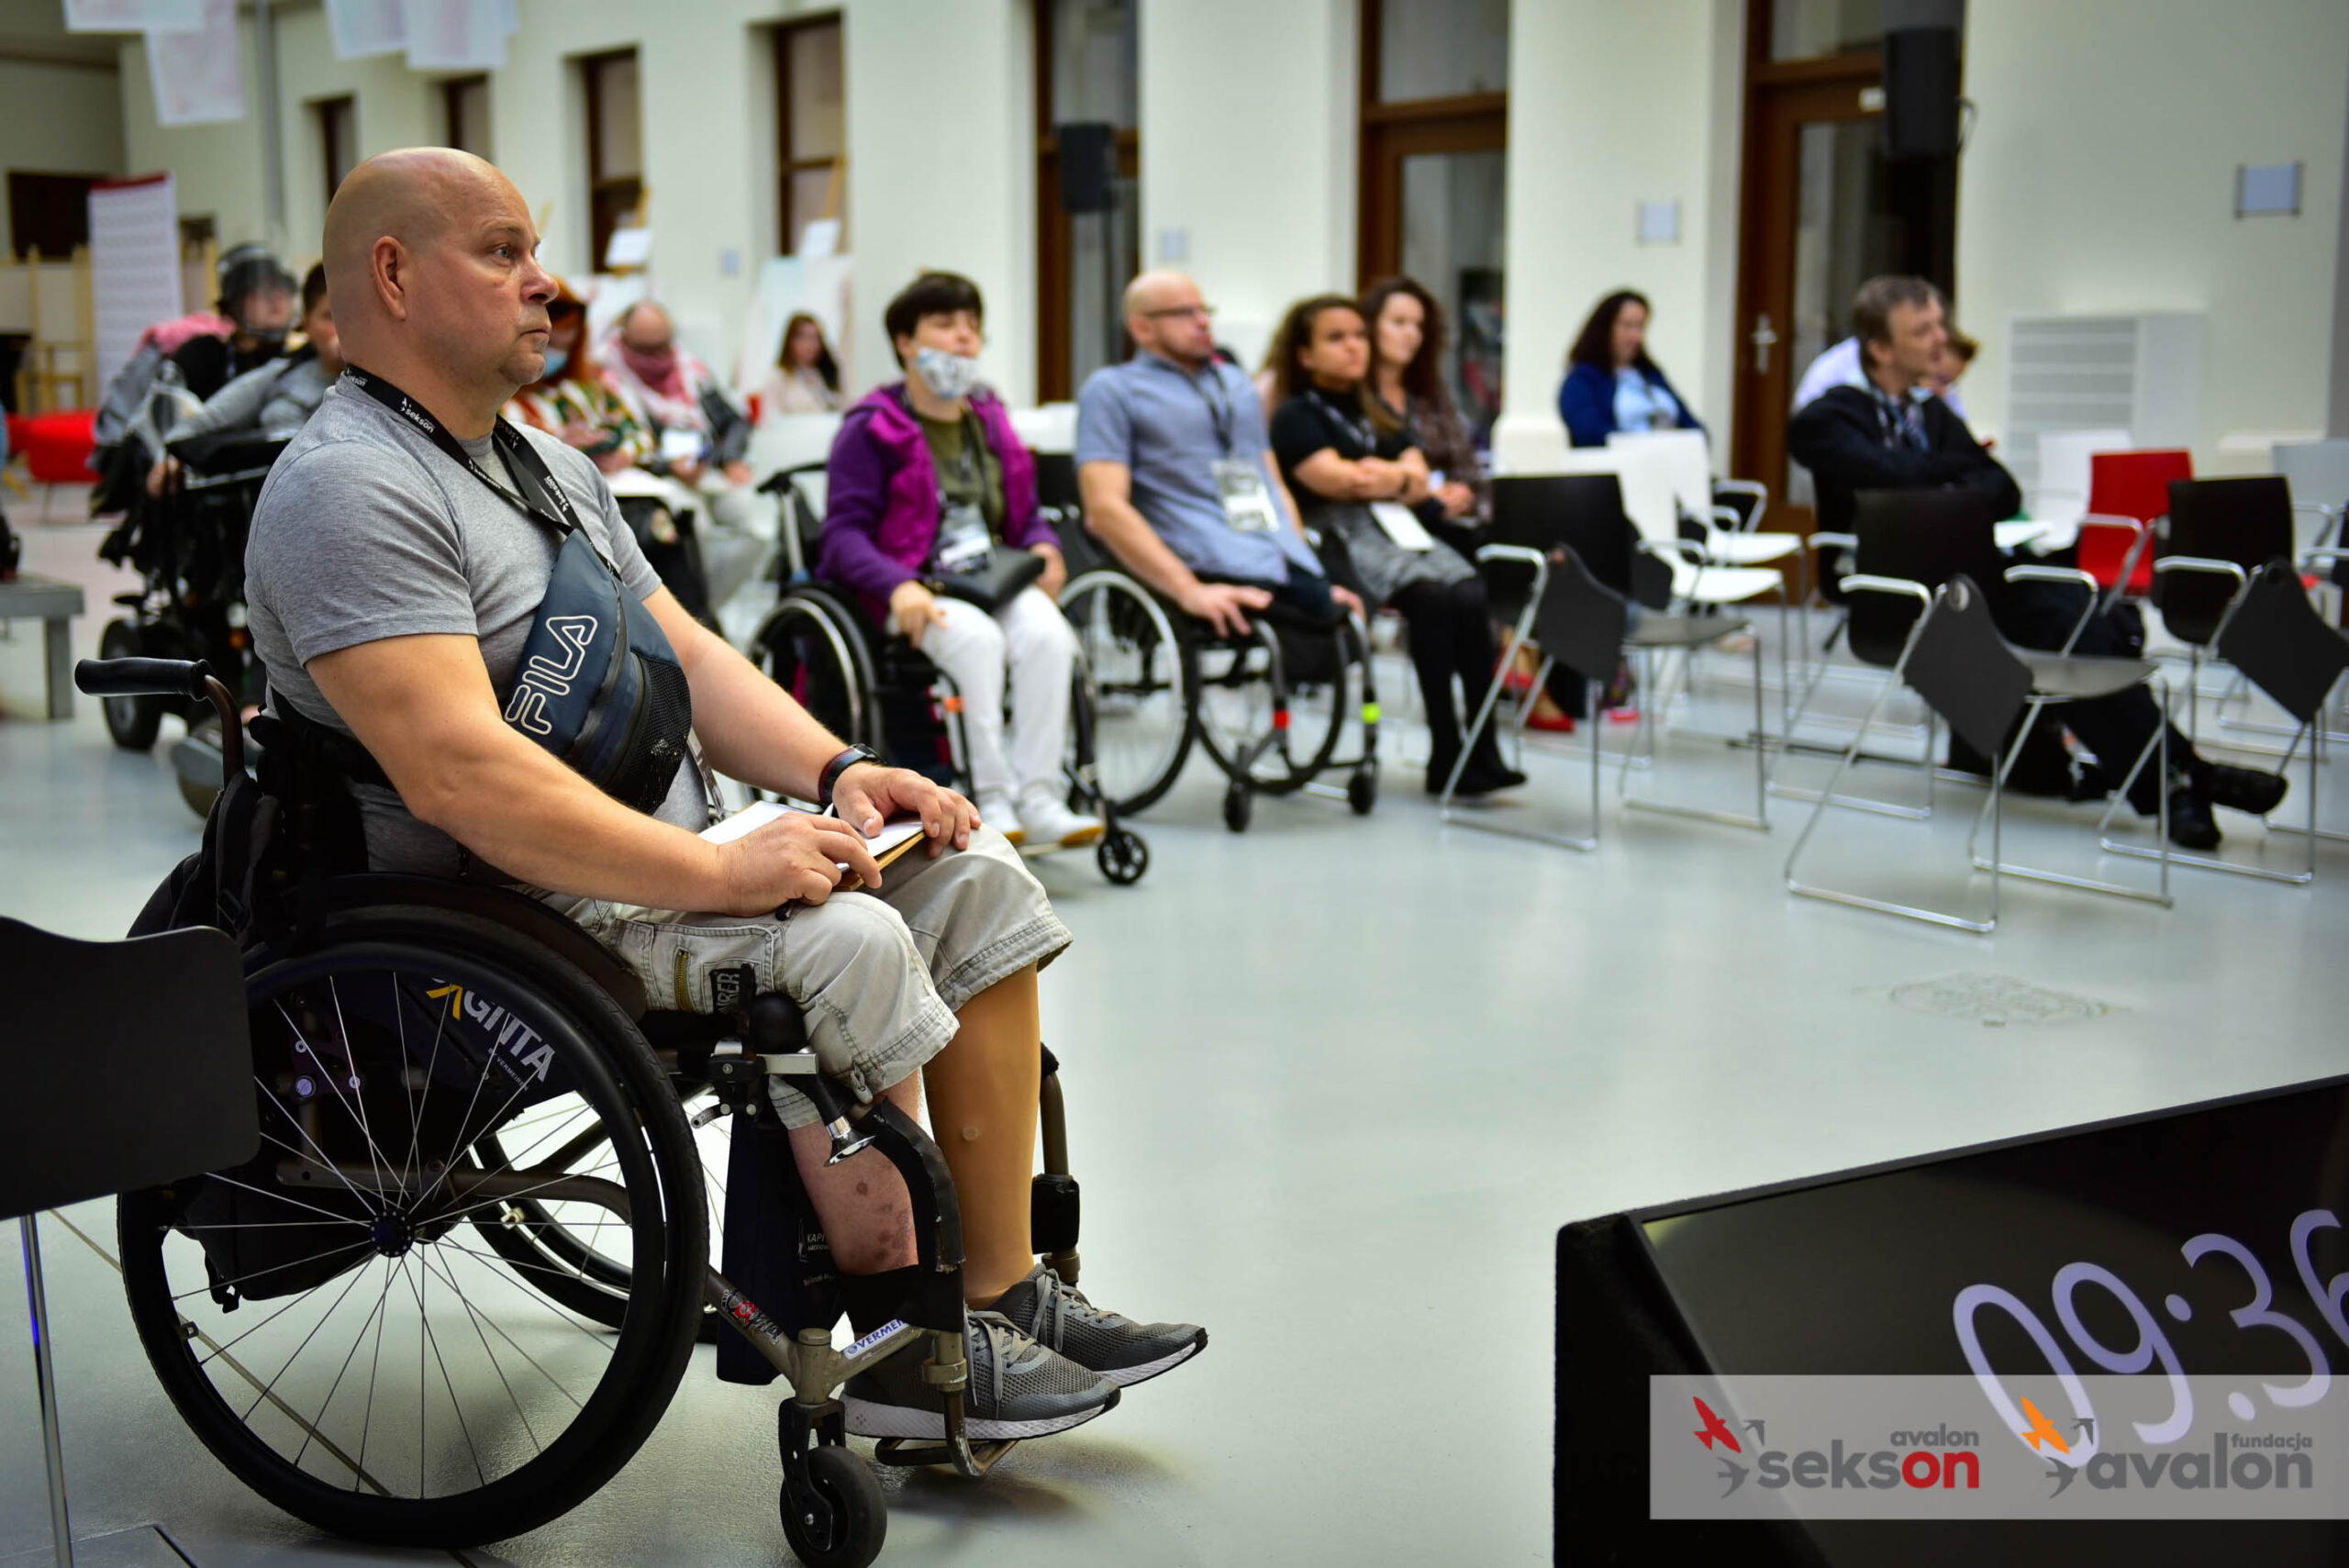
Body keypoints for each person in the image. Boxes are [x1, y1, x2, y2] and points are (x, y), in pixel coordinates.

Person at [244, 149, 1204, 1443]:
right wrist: (717, 874)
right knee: (846, 941)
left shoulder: (535, 461)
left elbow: (686, 652)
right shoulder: (345, 490)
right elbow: (456, 773)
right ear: (395, 276)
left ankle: (995, 1288)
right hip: (505, 906)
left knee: (974, 880)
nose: (548, 284)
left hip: (641, 854)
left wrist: (840, 771)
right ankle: (903, 1354)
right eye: (505, 251)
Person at [1787, 274, 2285, 849]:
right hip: (1897, 588)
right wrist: (1954, 478)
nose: (1938, 340)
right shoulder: (1827, 418)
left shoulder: (1929, 413)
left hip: (1971, 575)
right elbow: (1898, 483)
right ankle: (2183, 778)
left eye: (1938, 326)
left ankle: (2175, 778)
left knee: (2072, 607)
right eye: (1921, 330)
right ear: (1880, 348)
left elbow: (2001, 487)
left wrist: (1950, 482)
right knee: (2057, 616)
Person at [820, 272, 1102, 851]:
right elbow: (843, 536)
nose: (963, 339)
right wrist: (898, 584)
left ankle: (1042, 796)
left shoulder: (990, 420)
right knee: (976, 640)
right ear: (906, 342)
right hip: (914, 584)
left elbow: (1023, 516)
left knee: (1051, 635)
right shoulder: (870, 427)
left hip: (987, 573)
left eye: (972, 327)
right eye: (945, 325)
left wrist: (1045, 544)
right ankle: (992, 797)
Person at [1266, 294, 1524, 797]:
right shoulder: (1295, 415)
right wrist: (1396, 477)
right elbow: (1334, 482)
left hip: (1398, 528)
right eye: (1336, 338)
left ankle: (1484, 747)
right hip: (1339, 537)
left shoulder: (1374, 410)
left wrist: (1383, 477)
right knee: (1432, 598)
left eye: (1359, 336)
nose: (1354, 347)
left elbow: (1416, 478)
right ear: (1304, 354)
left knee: (1470, 593)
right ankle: (1446, 748)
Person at [1074, 269, 1363, 644]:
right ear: (1143, 328)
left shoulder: (1236, 384)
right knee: (1312, 630)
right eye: (1183, 313)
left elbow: (1271, 480)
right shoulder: (1113, 390)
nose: (1202, 321)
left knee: (1347, 613)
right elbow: (1105, 510)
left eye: (1204, 310)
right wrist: (1187, 589)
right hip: (1198, 556)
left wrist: (1305, 565)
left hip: (1271, 551)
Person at [599, 299, 778, 610]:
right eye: (646, 349)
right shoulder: (607, 378)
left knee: (757, 521)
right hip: (657, 478)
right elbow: (619, 444)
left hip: (707, 466)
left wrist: (729, 457)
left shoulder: (692, 369)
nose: (657, 358)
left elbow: (734, 421)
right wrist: (670, 465)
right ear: (625, 340)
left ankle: (710, 606)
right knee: (697, 527)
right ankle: (697, 612)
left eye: (662, 346)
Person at [147, 262, 343, 495]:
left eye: (352, 315)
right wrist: (170, 462)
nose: (342, 327)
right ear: (307, 324)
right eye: (330, 316)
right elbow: (193, 429)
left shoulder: (385, 380)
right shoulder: (281, 374)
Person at [1361, 275, 1487, 556]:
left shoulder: (1430, 392)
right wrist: (1425, 495)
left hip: (1445, 521)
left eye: (1419, 326)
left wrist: (1463, 495)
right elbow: (1362, 474)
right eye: (1399, 322)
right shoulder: (1355, 394)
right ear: (1370, 326)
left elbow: (1466, 466)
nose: (1411, 334)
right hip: (1383, 525)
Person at [1790, 293, 1972, 422]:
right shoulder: (1842, 388)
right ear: (1882, 350)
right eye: (1922, 332)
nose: (1944, 390)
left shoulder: (1928, 394)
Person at [1557, 290, 1703, 448]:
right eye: (1627, 326)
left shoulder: (1651, 375)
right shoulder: (1583, 380)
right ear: (1605, 329)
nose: (1636, 336)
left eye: (1641, 327)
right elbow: (1589, 434)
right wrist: (1647, 445)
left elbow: (1695, 430)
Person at [169, 244, 298, 401]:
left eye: (283, 286)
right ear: (232, 304)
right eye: (259, 288)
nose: (276, 296)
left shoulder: (303, 357)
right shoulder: (202, 357)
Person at [761, 311, 843, 417]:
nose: (810, 345)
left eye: (815, 338)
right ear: (790, 341)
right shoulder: (777, 376)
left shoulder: (822, 375)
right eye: (804, 337)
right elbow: (769, 419)